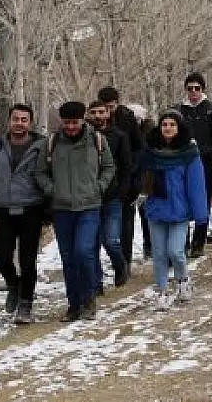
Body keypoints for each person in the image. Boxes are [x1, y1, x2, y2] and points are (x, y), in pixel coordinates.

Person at [35, 101, 116, 323]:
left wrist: (99, 186)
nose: (71, 127)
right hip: (61, 209)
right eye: (67, 122)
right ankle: (74, 304)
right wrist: (53, 190)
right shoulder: (51, 143)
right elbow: (40, 172)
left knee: (84, 252)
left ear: (83, 120)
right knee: (68, 258)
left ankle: (89, 299)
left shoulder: (97, 140)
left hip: (89, 206)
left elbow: (109, 167)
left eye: (75, 122)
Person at [0, 104, 47, 325]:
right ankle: (13, 285)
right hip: (4, 211)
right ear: (9, 121)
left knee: (28, 261)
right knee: (2, 258)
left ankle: (25, 304)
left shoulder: (42, 146)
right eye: (15, 119)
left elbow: (49, 176)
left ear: (30, 123)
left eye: (24, 119)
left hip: (31, 210)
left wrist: (49, 211)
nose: (19, 123)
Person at [140, 110, 208, 310]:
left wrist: (200, 214)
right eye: (164, 124)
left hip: (179, 210)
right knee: (159, 253)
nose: (167, 128)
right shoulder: (151, 152)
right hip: (156, 209)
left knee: (176, 251)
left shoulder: (189, 153)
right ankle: (161, 291)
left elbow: (196, 185)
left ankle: (183, 279)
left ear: (179, 128)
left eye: (172, 124)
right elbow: (141, 179)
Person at [176, 72, 212, 257]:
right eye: (189, 88)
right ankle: (182, 241)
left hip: (206, 162)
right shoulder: (179, 111)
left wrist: (209, 149)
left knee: (202, 201)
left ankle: (198, 242)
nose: (193, 92)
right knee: (181, 199)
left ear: (203, 89)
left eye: (197, 88)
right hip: (182, 160)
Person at [86, 101, 133, 296]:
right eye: (94, 112)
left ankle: (120, 265)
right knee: (91, 243)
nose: (98, 116)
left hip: (113, 197)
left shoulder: (120, 136)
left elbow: (126, 166)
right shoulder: (84, 136)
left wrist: (123, 192)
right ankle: (95, 283)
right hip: (88, 198)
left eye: (101, 112)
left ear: (108, 113)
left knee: (111, 240)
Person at [98, 87, 145, 268]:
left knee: (126, 221)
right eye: (105, 108)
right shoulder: (96, 122)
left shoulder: (127, 118)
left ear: (117, 103)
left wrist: (133, 172)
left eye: (111, 107)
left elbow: (139, 147)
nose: (108, 112)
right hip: (104, 180)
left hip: (127, 175)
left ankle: (125, 259)